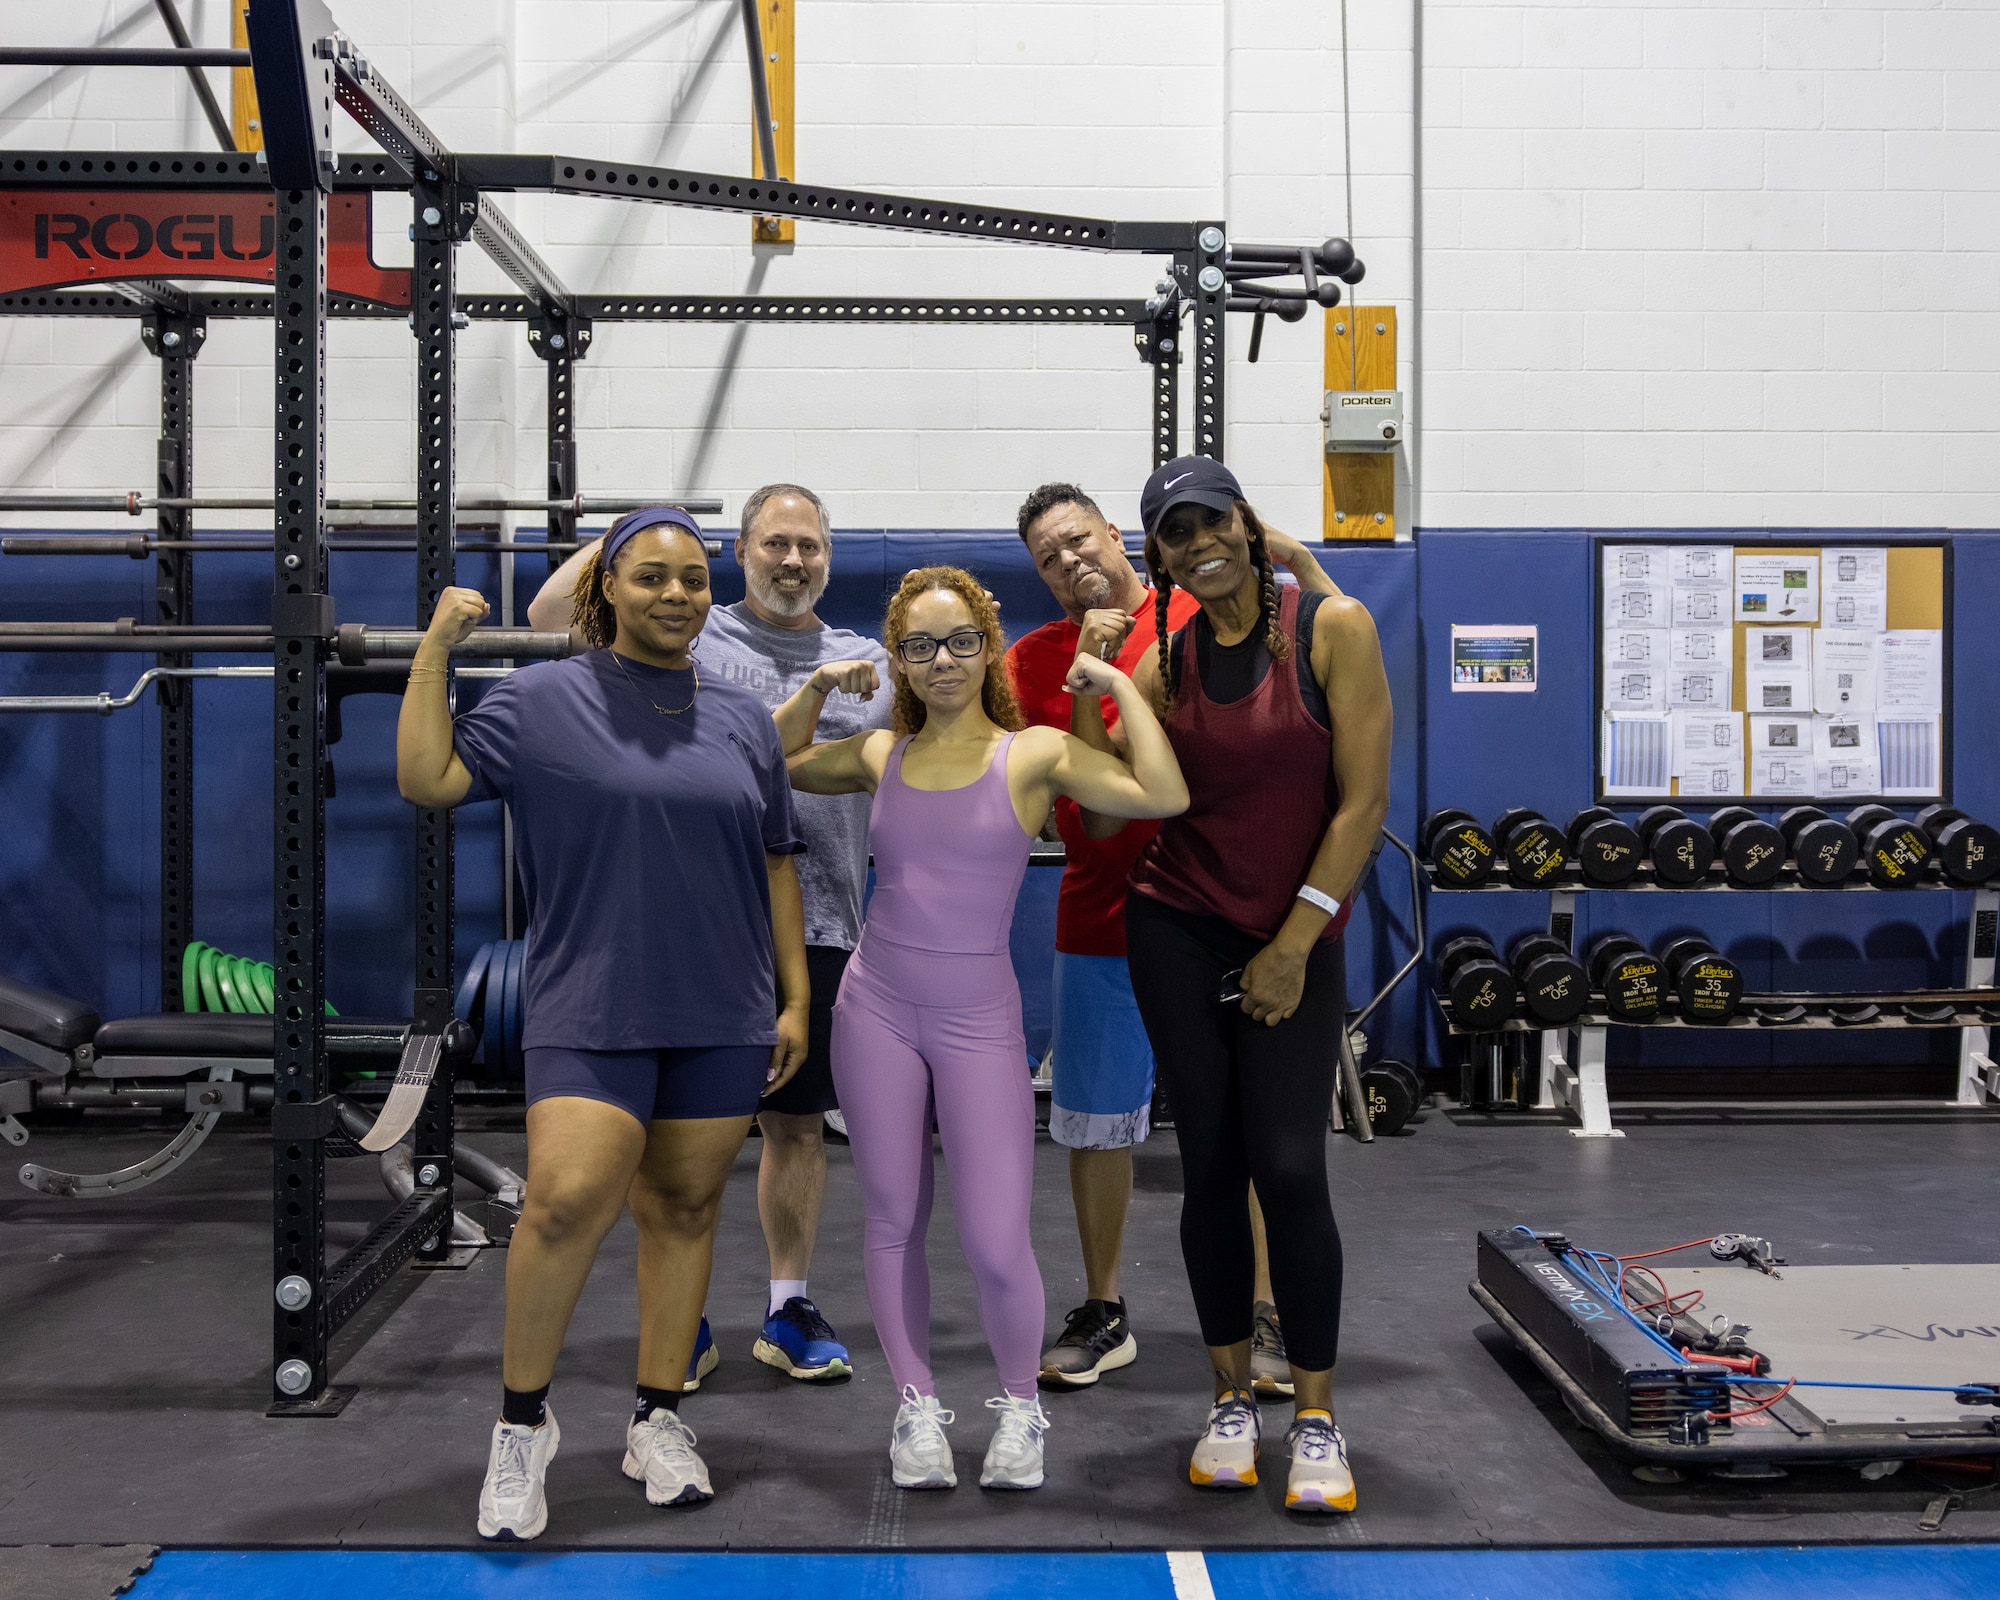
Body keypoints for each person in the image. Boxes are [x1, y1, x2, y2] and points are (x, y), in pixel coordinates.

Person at [400, 507, 810, 1538]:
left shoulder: (740, 719)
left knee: (681, 1210)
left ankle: (656, 1416)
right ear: (609, 591)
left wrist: (794, 997)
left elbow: (773, 860)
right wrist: (435, 648)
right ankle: (521, 1426)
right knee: (561, 1201)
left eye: (691, 580)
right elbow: (428, 778)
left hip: (721, 1004)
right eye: (652, 578)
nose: (676, 594)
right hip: (590, 997)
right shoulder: (540, 699)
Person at [774, 566, 1188, 1493]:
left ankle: (1018, 1409)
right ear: (900, 663)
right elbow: (770, 763)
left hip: (976, 1018)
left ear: (988, 645)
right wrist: (814, 689)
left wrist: (1115, 681)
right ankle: (915, 1405)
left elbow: (1161, 795)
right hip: (875, 1006)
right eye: (919, 646)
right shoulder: (882, 754)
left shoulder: (1033, 752)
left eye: (960, 640)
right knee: (892, 1220)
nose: (943, 660)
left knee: (997, 1237)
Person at [529, 483, 889, 1384]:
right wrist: (653, 521)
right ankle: (676, 1317)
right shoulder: (688, 627)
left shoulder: (867, 660)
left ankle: (787, 1306)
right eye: (775, 544)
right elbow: (545, 611)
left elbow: (958, 713)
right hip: (689, 927)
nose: (794, 561)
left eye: (810, 545)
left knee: (797, 1130)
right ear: (739, 551)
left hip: (820, 923)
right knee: (665, 1143)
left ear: (829, 557)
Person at [1103, 457, 1391, 1515]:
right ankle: (1230, 1401)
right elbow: (1099, 808)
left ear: (1243, 521)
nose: (1195, 542)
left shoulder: (1331, 629)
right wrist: (1093, 689)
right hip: (1175, 924)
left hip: (1293, 931)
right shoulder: (1165, 663)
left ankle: (1313, 1413)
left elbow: (1359, 805)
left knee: (1288, 1165)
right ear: (1159, 557)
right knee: (1211, 1165)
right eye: (1171, 533)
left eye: (1207, 519)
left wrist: (1292, 942)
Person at [1005, 483, 1337, 1395]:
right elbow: (1081, 807)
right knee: (1095, 1122)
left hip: (1231, 916)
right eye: (1048, 555)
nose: (1070, 561)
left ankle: (1268, 1311)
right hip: (1106, 912)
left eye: (1079, 538)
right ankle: (1106, 1308)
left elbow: (1327, 668)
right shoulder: (1034, 660)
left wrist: (1298, 555)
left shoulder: (1208, 609)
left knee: (1253, 1135)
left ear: (1117, 535)